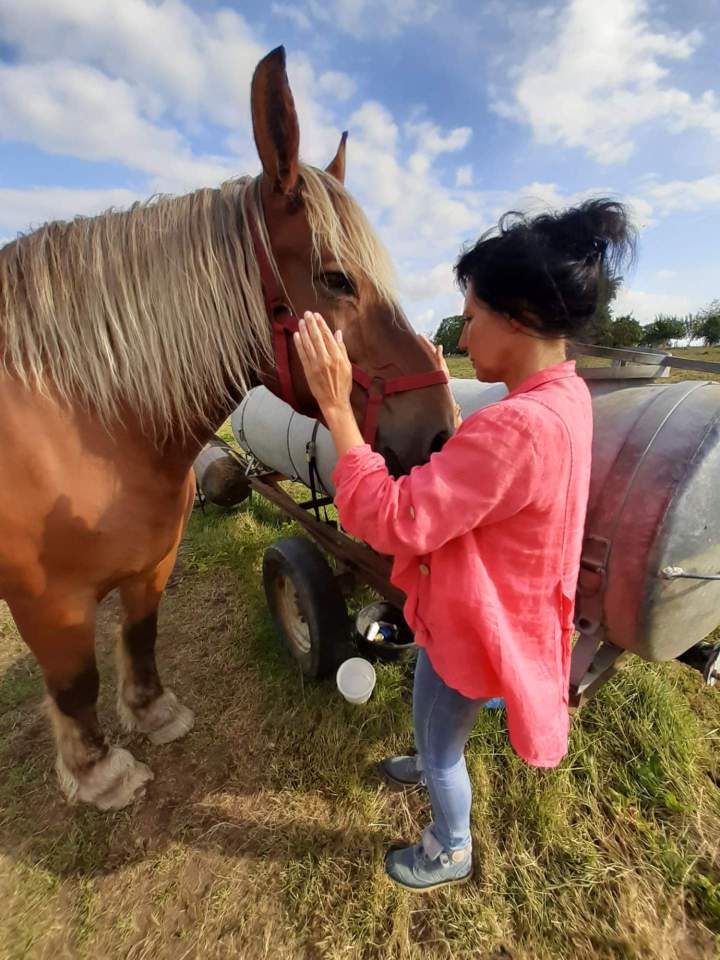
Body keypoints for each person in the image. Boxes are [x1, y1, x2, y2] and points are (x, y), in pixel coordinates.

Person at [293, 199, 635, 893]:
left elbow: (393, 519)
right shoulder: (561, 399)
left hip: (476, 625)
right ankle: (427, 760)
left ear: (520, 319)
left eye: (472, 316)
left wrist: (335, 407)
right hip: (485, 612)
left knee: (444, 742)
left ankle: (449, 847)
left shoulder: (516, 429)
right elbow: (484, 482)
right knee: (434, 710)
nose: (462, 331)